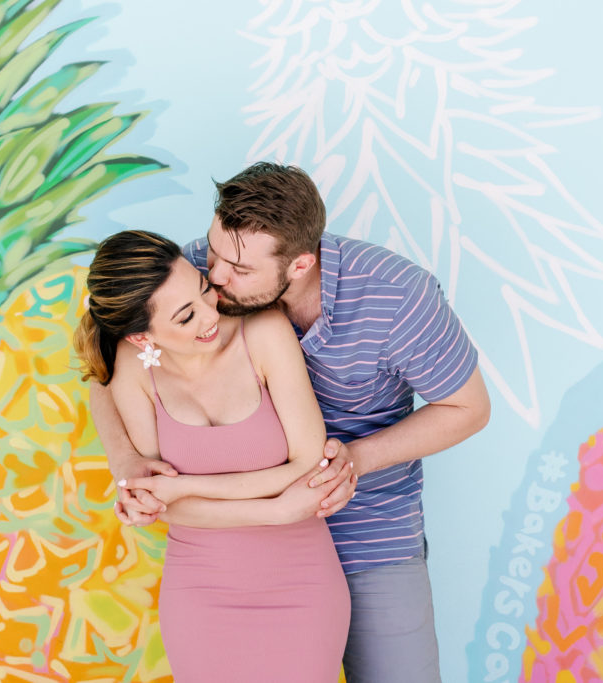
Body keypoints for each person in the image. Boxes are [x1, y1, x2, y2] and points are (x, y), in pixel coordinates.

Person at [91, 163, 491, 683]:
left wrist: (350, 462)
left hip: (371, 531)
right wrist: (127, 461)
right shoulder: (200, 272)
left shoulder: (399, 297)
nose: (216, 277)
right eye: (213, 252)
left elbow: (469, 408)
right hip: (241, 541)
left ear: (300, 264)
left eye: (236, 269)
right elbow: (104, 354)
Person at [73, 230, 352, 682]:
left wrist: (185, 487)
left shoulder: (263, 330)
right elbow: (165, 507)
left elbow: (307, 463)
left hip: (302, 584)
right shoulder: (132, 370)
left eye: (205, 290)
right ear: (142, 338)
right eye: (186, 317)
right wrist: (276, 509)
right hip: (199, 593)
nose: (211, 315)